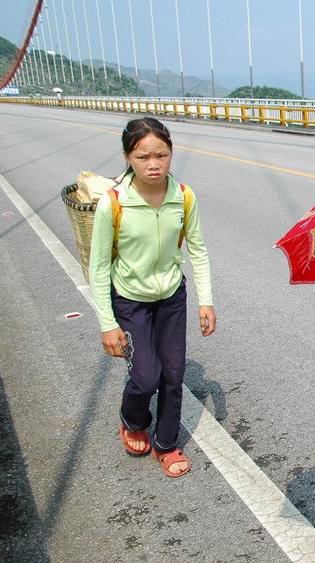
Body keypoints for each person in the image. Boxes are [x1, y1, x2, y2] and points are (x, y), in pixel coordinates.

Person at [88, 117, 216, 478]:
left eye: (161, 154)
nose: (154, 164)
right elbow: (98, 268)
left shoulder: (184, 196)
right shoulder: (114, 203)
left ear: (172, 152)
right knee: (146, 377)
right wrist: (107, 323)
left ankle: (166, 444)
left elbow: (199, 251)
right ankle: (132, 419)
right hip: (130, 299)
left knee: (173, 374)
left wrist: (205, 301)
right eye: (143, 157)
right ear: (128, 157)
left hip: (171, 297)